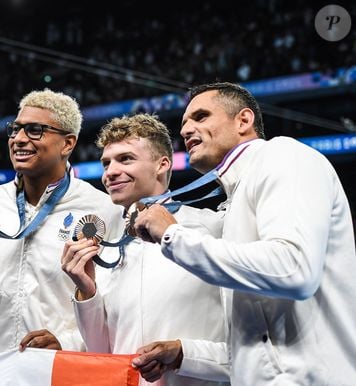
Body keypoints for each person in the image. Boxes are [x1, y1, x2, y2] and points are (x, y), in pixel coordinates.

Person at [132, 82, 356, 384]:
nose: (185, 130)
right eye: (183, 123)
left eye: (200, 117)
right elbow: (254, 350)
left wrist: (174, 235)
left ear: (243, 121)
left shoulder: (284, 155)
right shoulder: (236, 198)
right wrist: (184, 353)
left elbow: (293, 268)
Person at [0, 89, 123, 360]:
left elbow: (114, 313)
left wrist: (66, 343)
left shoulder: (103, 209)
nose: (19, 139)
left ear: (67, 144)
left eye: (35, 130)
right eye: (16, 129)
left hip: (58, 371)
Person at [61, 113, 229, 386]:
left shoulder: (212, 229)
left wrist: (184, 355)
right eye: (106, 163)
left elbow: (250, 349)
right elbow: (102, 352)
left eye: (126, 159)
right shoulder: (107, 247)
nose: (110, 172)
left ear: (163, 164)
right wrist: (86, 290)